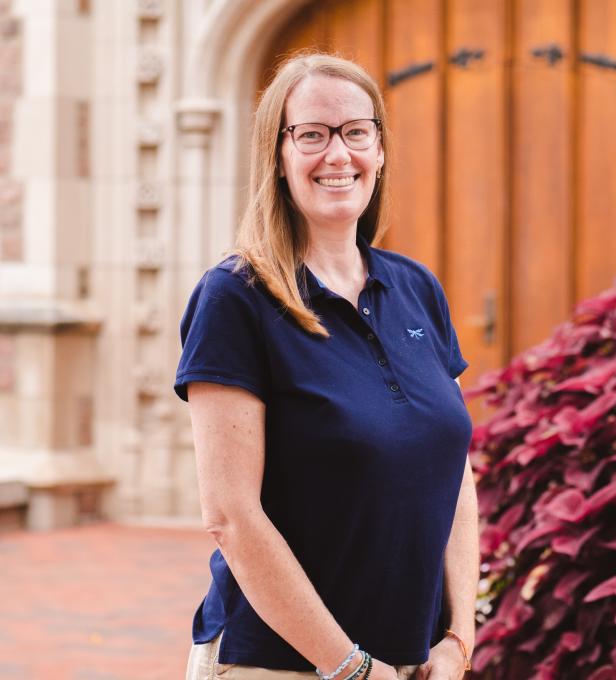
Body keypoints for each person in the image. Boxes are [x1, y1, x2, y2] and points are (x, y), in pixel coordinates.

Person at [174, 52, 479, 680]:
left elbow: (457, 476)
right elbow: (230, 515)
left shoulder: (415, 287)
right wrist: (350, 668)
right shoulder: (236, 297)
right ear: (278, 156)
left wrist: (457, 637)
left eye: (355, 132)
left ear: (380, 149)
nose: (337, 154)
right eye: (310, 134)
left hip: (414, 660)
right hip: (283, 664)